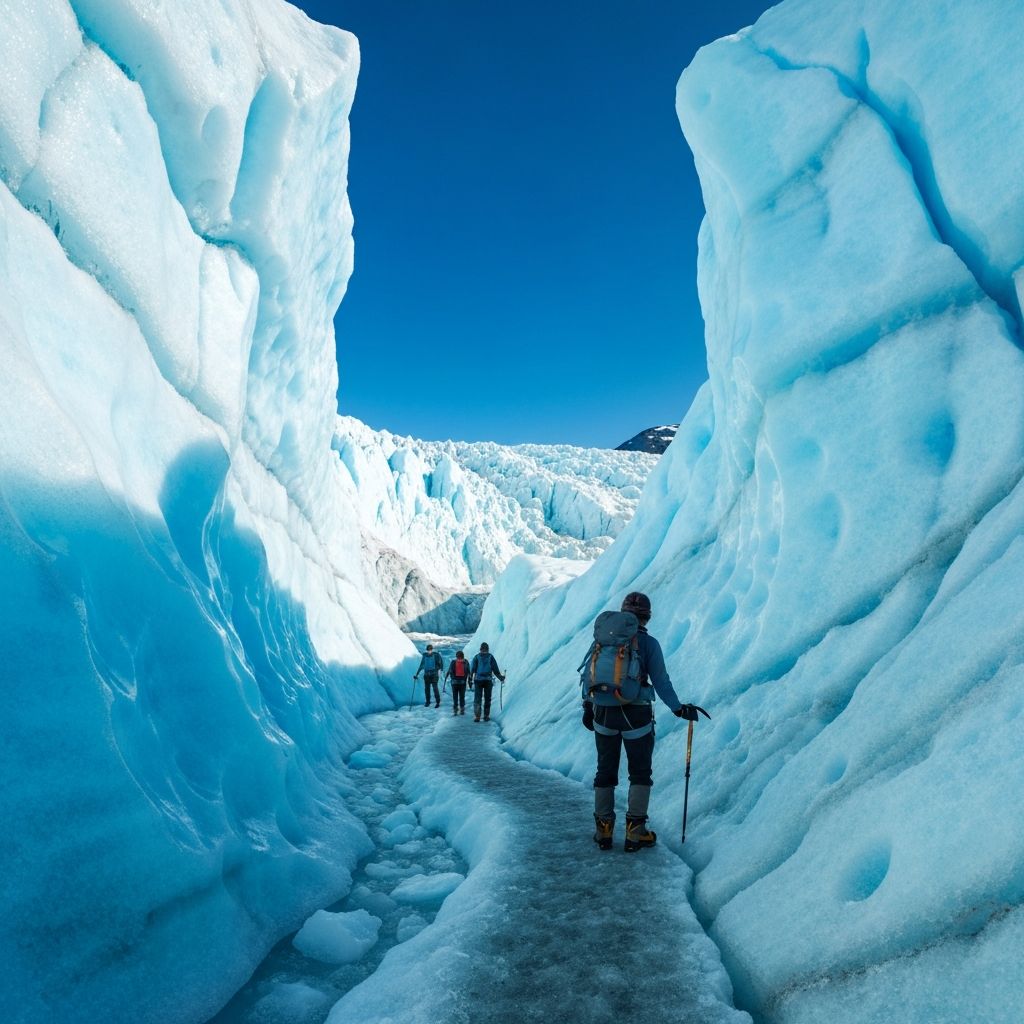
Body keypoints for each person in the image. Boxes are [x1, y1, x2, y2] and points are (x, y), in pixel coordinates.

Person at [581, 592, 703, 852]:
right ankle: (635, 833)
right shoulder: (649, 644)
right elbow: (661, 681)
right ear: (647, 617)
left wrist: (588, 707)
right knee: (639, 772)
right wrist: (678, 709)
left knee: (605, 770)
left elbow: (588, 674)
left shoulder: (604, 639)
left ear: (623, 612)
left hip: (603, 711)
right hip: (636, 714)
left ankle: (603, 830)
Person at [469, 642, 505, 722]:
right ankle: (486, 716)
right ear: (487, 649)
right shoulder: (490, 657)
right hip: (488, 680)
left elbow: (472, 669)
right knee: (487, 698)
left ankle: (477, 716)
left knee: (477, 698)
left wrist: (470, 679)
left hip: (478, 680)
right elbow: (495, 670)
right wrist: (501, 678)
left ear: (480, 649)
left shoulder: (476, 657)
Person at [445, 650, 470, 715]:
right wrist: (469, 681)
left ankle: (455, 710)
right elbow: (469, 672)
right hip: (462, 683)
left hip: (454, 683)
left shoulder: (453, 662)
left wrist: (447, 677)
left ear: (456, 656)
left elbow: (450, 671)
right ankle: (462, 709)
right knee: (462, 696)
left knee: (455, 697)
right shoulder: (466, 662)